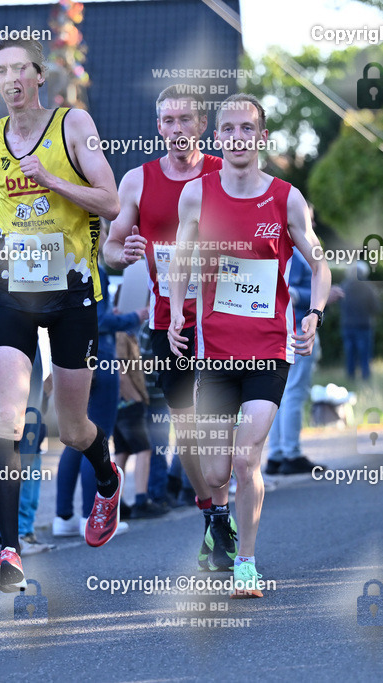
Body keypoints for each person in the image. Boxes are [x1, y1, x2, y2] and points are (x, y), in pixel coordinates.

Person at [0, 38, 122, 592]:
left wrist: (51, 180)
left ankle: (106, 477)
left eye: (22, 68)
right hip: (14, 292)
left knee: (71, 429)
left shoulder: (74, 125)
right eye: (2, 71)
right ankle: (9, 551)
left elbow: (110, 201)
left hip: (72, 293)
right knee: (8, 419)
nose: (13, 78)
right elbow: (4, 196)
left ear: (39, 76)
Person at [168, 93, 331, 597]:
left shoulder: (286, 197)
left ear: (262, 138)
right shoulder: (196, 194)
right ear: (218, 137)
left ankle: (245, 564)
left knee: (245, 461)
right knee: (215, 472)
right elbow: (180, 260)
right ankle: (220, 518)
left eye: (247, 129)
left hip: (268, 350)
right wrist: (177, 310)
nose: (238, 138)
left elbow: (321, 263)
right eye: (229, 129)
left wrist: (315, 312)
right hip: (216, 352)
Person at [103, 85, 224, 571]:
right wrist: (123, 254)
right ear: (159, 127)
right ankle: (212, 509)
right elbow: (110, 247)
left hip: (224, 316)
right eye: (168, 120)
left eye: (186, 120)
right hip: (165, 319)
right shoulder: (137, 180)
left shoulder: (225, 173)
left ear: (201, 125)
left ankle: (221, 505)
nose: (177, 129)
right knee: (186, 426)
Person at [54, 255, 140, 539]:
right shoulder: (93, 268)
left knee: (73, 437)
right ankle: (90, 515)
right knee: (96, 439)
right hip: (100, 357)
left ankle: (63, 516)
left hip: (68, 359)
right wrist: (135, 317)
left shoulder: (59, 264)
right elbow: (99, 321)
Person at [266, 249, 341, 475]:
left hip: (280, 328)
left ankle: (277, 454)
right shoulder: (297, 252)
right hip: (298, 327)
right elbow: (285, 292)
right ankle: (291, 452)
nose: (312, 221)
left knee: (280, 393)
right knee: (294, 392)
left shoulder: (276, 245)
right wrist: (323, 296)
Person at [113, 330, 168, 518]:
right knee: (144, 451)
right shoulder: (120, 335)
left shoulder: (115, 333)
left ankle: (116, 504)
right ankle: (141, 501)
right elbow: (120, 373)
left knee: (122, 453)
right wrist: (137, 398)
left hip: (117, 403)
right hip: (129, 403)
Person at [339, 261, 381, 381]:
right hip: (364, 325)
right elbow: (376, 307)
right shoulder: (368, 287)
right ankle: (365, 378)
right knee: (365, 355)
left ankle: (350, 378)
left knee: (350, 354)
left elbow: (340, 304)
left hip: (347, 324)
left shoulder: (344, 286)